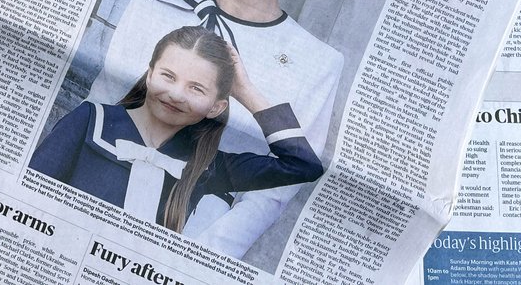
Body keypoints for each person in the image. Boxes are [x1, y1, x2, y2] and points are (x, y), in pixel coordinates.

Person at [90, 0, 383, 257]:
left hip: (196, 234)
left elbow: (272, 194)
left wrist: (193, 260)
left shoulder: (317, 62)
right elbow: (102, 101)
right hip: (99, 184)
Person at [33, 26, 322, 232]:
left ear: (215, 108)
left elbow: (303, 166)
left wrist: (245, 90)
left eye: (196, 88)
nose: (177, 94)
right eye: (168, 76)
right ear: (149, 75)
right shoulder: (90, 120)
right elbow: (28, 196)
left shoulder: (209, 166)